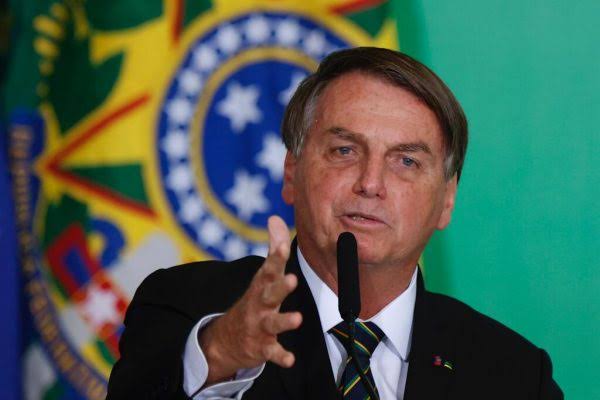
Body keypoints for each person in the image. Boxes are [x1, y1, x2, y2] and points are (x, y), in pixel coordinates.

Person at [107, 47, 563, 399]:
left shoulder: (515, 374)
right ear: (292, 172)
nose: (371, 183)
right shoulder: (185, 308)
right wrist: (222, 354)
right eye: (345, 151)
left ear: (447, 200)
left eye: (406, 161)